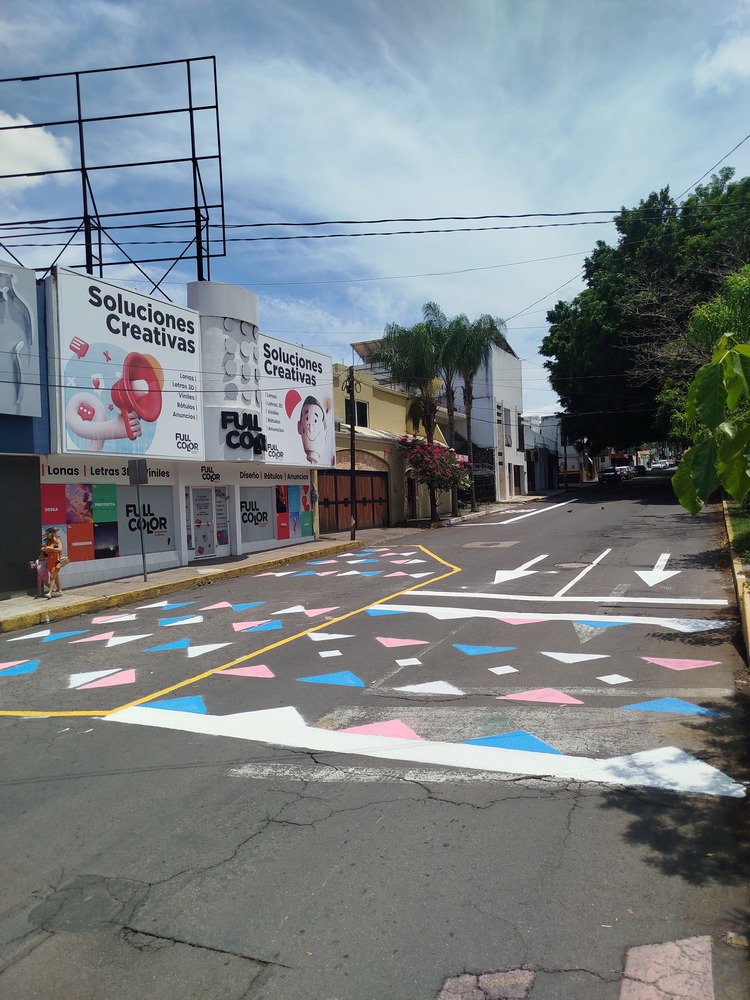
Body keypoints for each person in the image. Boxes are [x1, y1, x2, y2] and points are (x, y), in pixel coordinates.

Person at [42, 528, 64, 599]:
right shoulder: (49, 542)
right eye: (47, 534)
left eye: (48, 533)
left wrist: (49, 548)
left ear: (52, 534)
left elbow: (60, 549)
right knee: (55, 576)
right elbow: (49, 552)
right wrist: (45, 549)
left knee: (52, 577)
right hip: (50, 560)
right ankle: (60, 590)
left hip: (57, 561)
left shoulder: (57, 541)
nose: (47, 535)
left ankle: (50, 593)